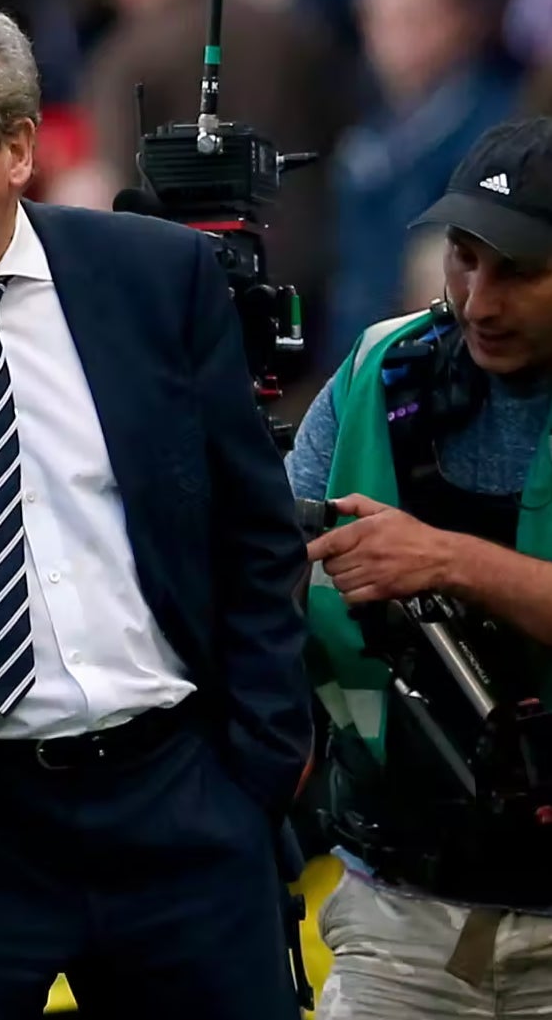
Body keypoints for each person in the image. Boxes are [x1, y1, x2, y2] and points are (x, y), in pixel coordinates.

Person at [0, 6, 313, 1020]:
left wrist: (256, 768)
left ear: (19, 150)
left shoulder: (154, 278)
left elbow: (256, 535)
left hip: (180, 803)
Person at [288, 117, 552, 1019]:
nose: (480, 301)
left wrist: (444, 559)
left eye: (518, 272)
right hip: (401, 907)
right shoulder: (375, 370)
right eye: (465, 258)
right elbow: (264, 573)